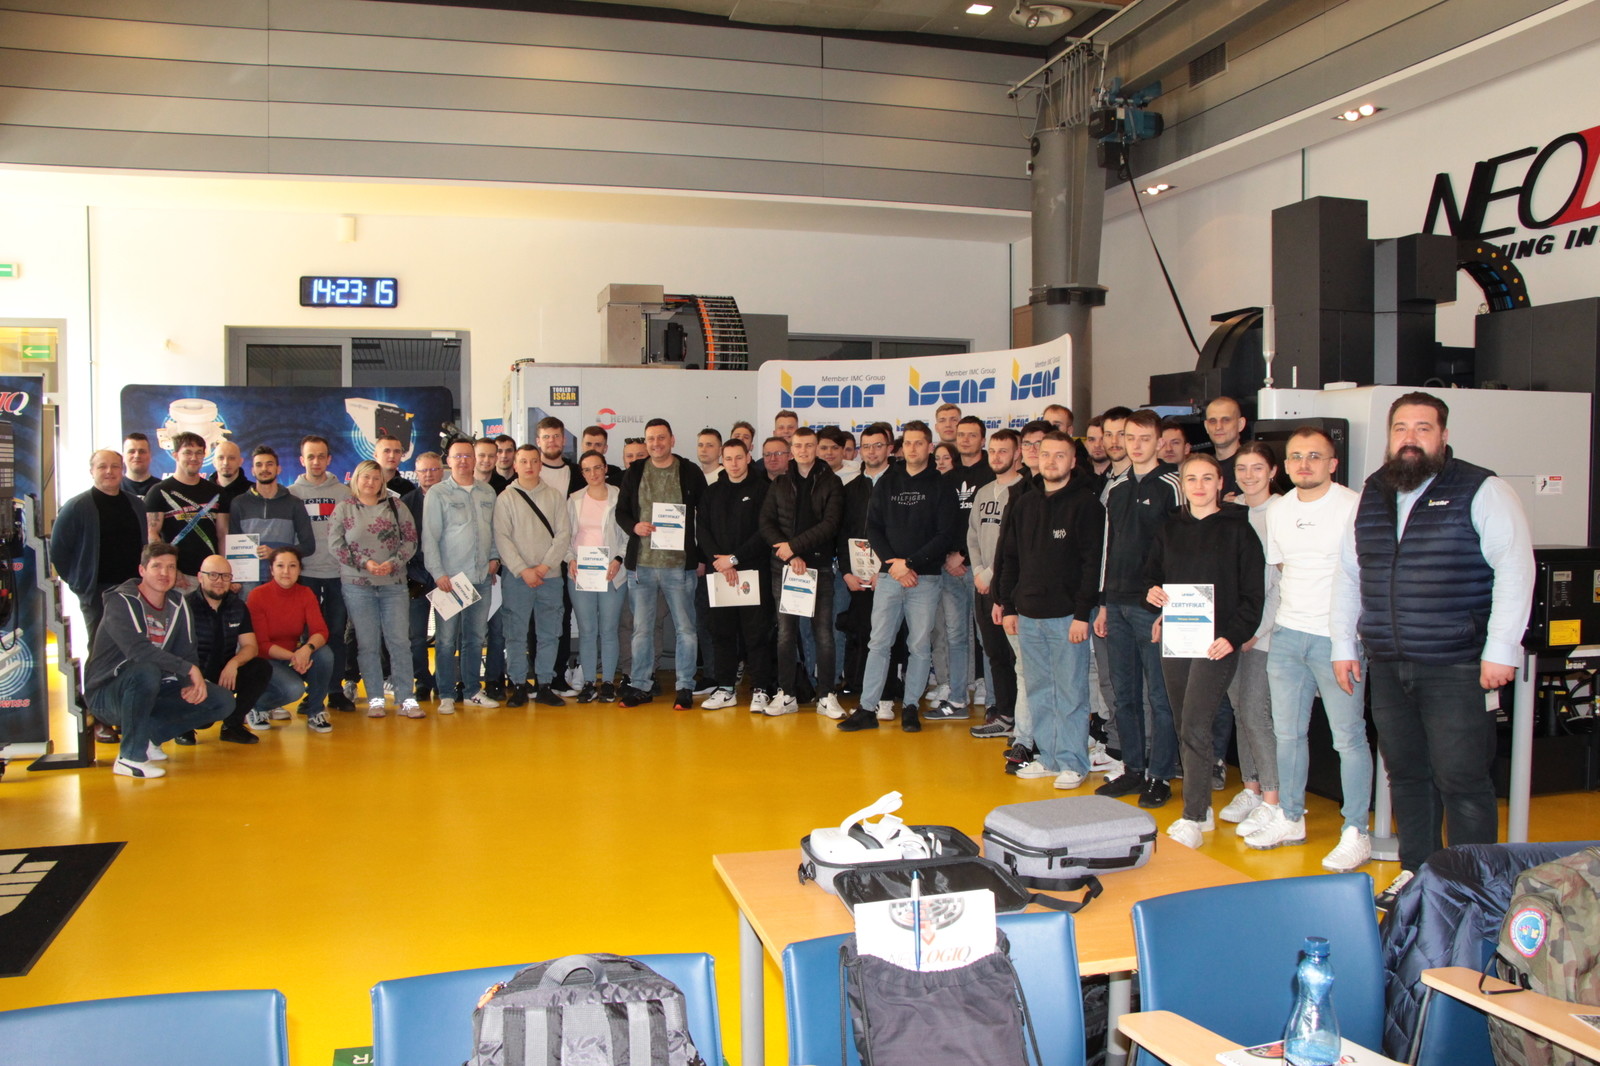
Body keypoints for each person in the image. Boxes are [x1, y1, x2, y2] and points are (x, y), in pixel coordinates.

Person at [1332, 392, 1535, 907]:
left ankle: (1472, 887)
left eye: (1423, 428)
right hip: (1389, 661)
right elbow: (1350, 575)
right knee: (1406, 775)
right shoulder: (1373, 492)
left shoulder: (1482, 488)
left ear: (1443, 436)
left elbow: (1516, 569)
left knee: (1461, 778)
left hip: (1457, 663)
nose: (1410, 438)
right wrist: (1344, 643)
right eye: (1401, 428)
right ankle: (1418, 872)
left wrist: (1502, 649)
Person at [1254, 425, 1370, 864]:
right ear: (1285, 466)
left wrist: (1348, 641)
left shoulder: (1353, 506)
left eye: (1315, 456)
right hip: (1288, 636)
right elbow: (1283, 568)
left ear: (1332, 463)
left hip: (1337, 640)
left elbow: (1361, 576)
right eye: (1297, 457)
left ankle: (1356, 829)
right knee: (1287, 734)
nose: (1305, 464)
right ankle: (1290, 816)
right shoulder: (1279, 511)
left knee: (1348, 739)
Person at [1143, 453, 1265, 847]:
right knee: (1184, 723)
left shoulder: (1239, 530)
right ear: (1182, 484)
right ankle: (1204, 810)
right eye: (1191, 478)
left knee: (1196, 723)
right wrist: (1153, 595)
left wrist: (1233, 636)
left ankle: (1194, 816)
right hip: (1178, 636)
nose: (1199, 486)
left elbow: (1253, 595)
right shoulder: (1169, 528)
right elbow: (1152, 576)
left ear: (1220, 482)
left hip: (1217, 642)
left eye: (1207, 478)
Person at [994, 431, 1104, 788]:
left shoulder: (1087, 505)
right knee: (1039, 690)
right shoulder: (1025, 503)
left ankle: (1073, 762)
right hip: (1028, 615)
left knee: (1070, 692)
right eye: (1046, 455)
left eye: (1060, 455)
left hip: (1067, 617)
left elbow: (1092, 565)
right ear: (1036, 459)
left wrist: (1082, 614)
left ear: (1072, 461)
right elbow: (1010, 558)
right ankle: (1049, 757)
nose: (1052, 462)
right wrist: (1009, 606)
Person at [836, 420, 959, 734]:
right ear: (901, 448)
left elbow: (945, 534)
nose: (913, 448)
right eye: (908, 443)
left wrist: (911, 564)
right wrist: (894, 566)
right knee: (878, 643)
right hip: (890, 577)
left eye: (919, 443)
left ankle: (911, 707)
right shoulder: (888, 481)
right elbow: (874, 528)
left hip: (924, 578)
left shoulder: (942, 485)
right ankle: (867, 709)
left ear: (930, 447)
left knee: (918, 646)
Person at [83, 542, 234, 778]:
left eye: (171, 567)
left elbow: (187, 650)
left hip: (153, 686)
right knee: (146, 670)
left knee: (221, 701)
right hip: (107, 694)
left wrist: (190, 682)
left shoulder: (177, 603)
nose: (164, 573)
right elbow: (137, 651)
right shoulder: (121, 601)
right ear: (142, 570)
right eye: (157, 566)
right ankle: (129, 758)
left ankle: (149, 738)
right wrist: (189, 669)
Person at [1094, 408, 1182, 808]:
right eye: (1130, 438)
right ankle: (1133, 769)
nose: (1136, 445)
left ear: (1159, 442)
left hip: (1153, 608)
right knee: (1124, 694)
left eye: (1145, 438)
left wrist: (1170, 604)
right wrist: (1103, 603)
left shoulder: (1172, 485)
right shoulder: (1115, 488)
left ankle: (1160, 775)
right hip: (1117, 604)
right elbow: (1107, 549)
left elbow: (1183, 545)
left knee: (1160, 697)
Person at [1216, 442, 1285, 831]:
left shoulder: (1282, 512)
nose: (1248, 475)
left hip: (1264, 635)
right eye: (1242, 468)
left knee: (1256, 712)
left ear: (1272, 471)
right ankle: (1252, 788)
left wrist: (1256, 631)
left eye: (1257, 468)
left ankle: (1274, 797)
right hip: (1232, 632)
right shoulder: (1230, 510)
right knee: (1240, 709)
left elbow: (1280, 584)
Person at [615, 418, 705, 710]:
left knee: (685, 629)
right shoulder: (635, 472)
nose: (656, 443)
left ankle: (685, 686)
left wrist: (701, 556)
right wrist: (634, 527)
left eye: (661, 438)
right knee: (641, 630)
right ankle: (640, 685)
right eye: (651, 438)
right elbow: (621, 511)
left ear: (672, 440)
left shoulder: (689, 471)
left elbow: (705, 515)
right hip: (642, 565)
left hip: (679, 566)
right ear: (646, 442)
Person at [759, 425, 843, 718]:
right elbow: (766, 523)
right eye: (798, 446)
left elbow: (830, 525)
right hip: (784, 570)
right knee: (785, 634)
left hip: (819, 568)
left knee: (824, 634)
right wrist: (790, 554)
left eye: (809, 445)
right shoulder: (780, 483)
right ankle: (787, 695)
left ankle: (826, 696)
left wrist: (794, 547)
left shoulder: (832, 482)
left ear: (817, 448)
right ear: (791, 450)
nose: (804, 450)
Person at [331, 459, 421, 718]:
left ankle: (406, 698)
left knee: (399, 642)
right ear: (356, 479)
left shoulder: (396, 506)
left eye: (375, 477)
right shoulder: (344, 509)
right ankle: (375, 699)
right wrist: (365, 563)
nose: (370, 482)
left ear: (382, 481)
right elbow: (336, 545)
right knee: (367, 644)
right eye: (365, 477)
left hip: (393, 584)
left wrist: (394, 562)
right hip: (357, 586)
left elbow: (410, 540)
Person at [423, 438, 501, 713]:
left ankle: (472, 692)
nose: (463, 461)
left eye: (468, 456)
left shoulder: (487, 492)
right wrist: (438, 573)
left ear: (475, 459)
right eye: (458, 456)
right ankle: (446, 694)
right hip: (450, 581)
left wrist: (495, 558)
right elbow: (430, 537)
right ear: (449, 460)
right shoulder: (438, 493)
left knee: (475, 638)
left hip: (481, 577)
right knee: (445, 641)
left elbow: (493, 530)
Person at [698, 438, 776, 711]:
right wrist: (721, 562)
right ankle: (726, 688)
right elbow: (702, 530)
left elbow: (765, 531)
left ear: (748, 457)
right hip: (720, 573)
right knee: (722, 632)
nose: (734, 463)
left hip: (753, 572)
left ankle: (760, 689)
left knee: (756, 634)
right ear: (722, 459)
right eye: (728, 458)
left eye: (739, 457)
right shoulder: (712, 492)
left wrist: (734, 559)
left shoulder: (763, 489)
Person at [495, 444, 571, 706]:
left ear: (540, 465)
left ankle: (545, 684)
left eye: (534, 461)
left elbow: (563, 535)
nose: (529, 466)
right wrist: (523, 570)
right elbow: (502, 538)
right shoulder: (506, 498)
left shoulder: (554, 496)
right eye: (524, 461)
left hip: (550, 577)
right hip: (517, 579)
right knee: (515, 634)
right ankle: (518, 685)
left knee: (549, 633)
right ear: (515, 465)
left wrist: (544, 567)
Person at [51, 449, 147, 646]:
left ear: (122, 470)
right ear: (91, 471)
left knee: (134, 647)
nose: (109, 471)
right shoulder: (76, 506)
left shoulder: (136, 504)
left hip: (133, 589)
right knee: (100, 648)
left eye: (115, 466)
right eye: (102, 466)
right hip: (97, 593)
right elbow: (59, 552)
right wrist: (80, 583)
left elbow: (144, 543)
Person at [288, 435, 356, 713]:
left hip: (338, 574)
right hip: (306, 575)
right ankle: (313, 693)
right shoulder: (291, 494)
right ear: (302, 460)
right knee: (309, 637)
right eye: (310, 456)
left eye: (321, 456)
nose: (316, 461)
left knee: (336, 633)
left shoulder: (344, 493)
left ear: (329, 459)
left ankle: (335, 690)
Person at [967, 429, 1026, 742]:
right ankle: (1004, 715)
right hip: (982, 586)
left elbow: (1014, 543)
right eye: (993, 450)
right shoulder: (983, 492)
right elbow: (973, 536)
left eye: (1004, 451)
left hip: (1008, 587)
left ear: (1017, 454)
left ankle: (1024, 722)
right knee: (995, 654)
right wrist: (978, 570)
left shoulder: (1025, 491)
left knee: (1018, 658)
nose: (997, 456)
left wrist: (991, 574)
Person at [248, 547, 336, 733]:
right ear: (271, 570)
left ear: (300, 569)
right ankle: (256, 705)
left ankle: (315, 711)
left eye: (292, 566)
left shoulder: (305, 593)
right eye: (280, 566)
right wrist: (295, 657)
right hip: (265, 660)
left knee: (324, 654)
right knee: (294, 689)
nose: (286, 571)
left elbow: (321, 631)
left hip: (292, 656)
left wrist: (307, 649)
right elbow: (261, 645)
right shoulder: (257, 595)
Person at [187, 554, 272, 744]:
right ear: (200, 577)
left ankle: (232, 726)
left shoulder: (237, 606)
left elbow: (251, 646)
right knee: (205, 719)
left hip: (224, 674)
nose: (220, 581)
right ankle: (184, 726)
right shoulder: (185, 607)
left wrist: (234, 663)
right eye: (213, 575)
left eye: (225, 576)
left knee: (260, 668)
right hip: (194, 676)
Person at [567, 449, 628, 702]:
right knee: (587, 630)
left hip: (612, 572)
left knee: (609, 629)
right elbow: (565, 536)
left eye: (597, 467)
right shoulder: (574, 499)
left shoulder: (619, 496)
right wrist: (570, 559)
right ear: (582, 473)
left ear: (605, 469)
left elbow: (628, 535)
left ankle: (608, 683)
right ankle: (590, 682)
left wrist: (618, 559)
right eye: (587, 469)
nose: (593, 473)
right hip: (581, 573)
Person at [837, 422, 892, 702]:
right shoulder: (851, 489)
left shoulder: (897, 485)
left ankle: (887, 692)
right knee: (858, 629)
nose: (872, 451)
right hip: (857, 576)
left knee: (889, 636)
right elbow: (841, 533)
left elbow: (902, 533)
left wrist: (885, 570)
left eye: (878, 445)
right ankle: (856, 684)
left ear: (889, 448)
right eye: (866, 446)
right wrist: (846, 572)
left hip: (889, 575)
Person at [145, 431, 230, 585]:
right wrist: (170, 570)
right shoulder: (158, 492)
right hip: (178, 576)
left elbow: (223, 535)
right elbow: (152, 534)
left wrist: (223, 571)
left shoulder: (217, 492)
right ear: (175, 455)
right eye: (188, 452)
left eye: (199, 453)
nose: (194, 458)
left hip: (210, 576)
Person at [230, 445, 315, 596]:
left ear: (278, 469)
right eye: (259, 465)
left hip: (283, 578)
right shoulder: (239, 503)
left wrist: (276, 553)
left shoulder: (294, 503)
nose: (264, 469)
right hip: (248, 580)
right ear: (252, 471)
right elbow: (233, 544)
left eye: (269, 464)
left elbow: (309, 546)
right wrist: (234, 576)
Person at [405, 450, 443, 701]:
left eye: (434, 469)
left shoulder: (452, 497)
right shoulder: (406, 502)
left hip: (446, 577)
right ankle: (422, 681)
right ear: (416, 474)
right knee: (416, 637)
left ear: (442, 472)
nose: (429, 475)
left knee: (448, 636)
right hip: (416, 577)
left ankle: (443, 680)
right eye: (423, 470)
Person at [1204, 395, 1247, 496]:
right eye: (1213, 421)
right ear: (1206, 426)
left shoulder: (1252, 465)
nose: (1218, 427)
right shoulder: (1203, 467)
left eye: (1226, 420)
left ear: (1240, 424)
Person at [209, 440, 252, 507]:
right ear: (214, 462)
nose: (226, 463)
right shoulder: (203, 490)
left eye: (231, 458)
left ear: (240, 461)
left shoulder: (253, 492)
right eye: (221, 458)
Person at [121, 432, 159, 497]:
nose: (137, 456)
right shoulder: (113, 488)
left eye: (142, 451)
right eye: (131, 451)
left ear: (150, 456)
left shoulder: (162, 489)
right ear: (123, 457)